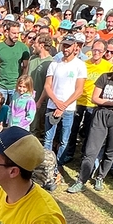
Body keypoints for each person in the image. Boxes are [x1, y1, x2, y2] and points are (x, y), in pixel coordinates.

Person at [70, 53, 113, 193]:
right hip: (101, 115)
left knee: (111, 150)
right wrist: (111, 103)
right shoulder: (105, 77)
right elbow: (95, 98)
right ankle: (81, 180)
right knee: (91, 150)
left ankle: (100, 176)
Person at [42, 35, 87, 166]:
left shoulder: (80, 65)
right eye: (64, 45)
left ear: (75, 47)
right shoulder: (54, 64)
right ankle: (46, 166)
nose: (66, 48)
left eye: (69, 46)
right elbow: (47, 86)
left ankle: (59, 166)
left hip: (68, 109)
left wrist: (63, 106)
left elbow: (79, 90)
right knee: (48, 139)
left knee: (64, 140)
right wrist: (57, 103)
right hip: (52, 106)